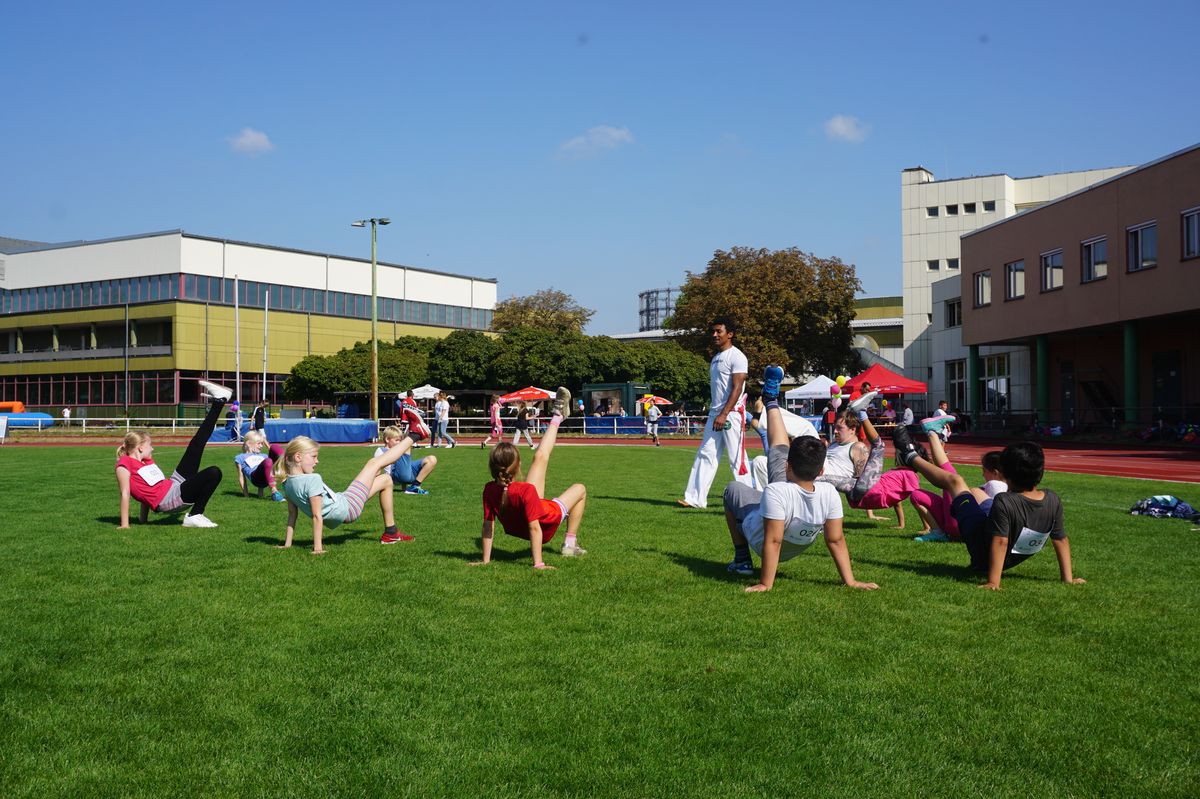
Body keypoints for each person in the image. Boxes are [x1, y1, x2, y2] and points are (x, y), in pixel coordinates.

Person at [722, 367, 879, 592]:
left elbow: (773, 541)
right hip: (796, 541)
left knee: (731, 490)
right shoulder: (829, 493)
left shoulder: (776, 491)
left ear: (789, 467)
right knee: (779, 451)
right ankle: (771, 400)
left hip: (762, 540)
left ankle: (742, 560)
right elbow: (835, 540)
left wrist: (766, 584)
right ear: (821, 472)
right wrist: (851, 581)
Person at [893, 425, 1085, 590]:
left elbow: (1000, 541)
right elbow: (1060, 539)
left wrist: (993, 582)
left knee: (955, 482)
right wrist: (1067, 579)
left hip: (982, 550)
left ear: (1005, 474)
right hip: (1006, 552)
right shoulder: (1052, 499)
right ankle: (917, 453)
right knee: (976, 493)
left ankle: (910, 456)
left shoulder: (1004, 501)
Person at [474, 388, 588, 570]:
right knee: (580, 488)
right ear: (518, 466)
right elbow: (535, 529)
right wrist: (539, 564)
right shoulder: (526, 491)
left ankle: (558, 415)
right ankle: (569, 544)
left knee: (540, 457)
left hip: (526, 519)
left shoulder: (490, 489)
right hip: (547, 522)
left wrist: (485, 560)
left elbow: (488, 526)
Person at [115, 379, 231, 529]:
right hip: (168, 499)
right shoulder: (123, 465)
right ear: (140, 448)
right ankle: (195, 515)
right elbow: (126, 494)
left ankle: (219, 401)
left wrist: (143, 520)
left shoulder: (146, 461)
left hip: (173, 485)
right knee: (214, 472)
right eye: (150, 445)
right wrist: (125, 525)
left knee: (196, 445)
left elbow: (145, 490)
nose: (153, 449)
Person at [277, 432, 417, 554]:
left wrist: (287, 544)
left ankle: (391, 533)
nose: (317, 461)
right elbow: (316, 516)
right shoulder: (313, 479)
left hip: (343, 501)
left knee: (385, 479)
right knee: (374, 464)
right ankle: (414, 435)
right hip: (348, 508)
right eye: (313, 457)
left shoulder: (286, 483)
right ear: (298, 457)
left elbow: (292, 515)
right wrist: (318, 548)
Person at [678, 317, 752, 508]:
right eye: (713, 331)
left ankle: (749, 500)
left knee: (737, 458)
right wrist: (717, 413)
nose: (714, 335)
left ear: (730, 334)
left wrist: (724, 413)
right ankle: (695, 499)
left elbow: (737, 388)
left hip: (730, 414)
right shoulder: (716, 358)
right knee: (706, 453)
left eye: (719, 331)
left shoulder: (737, 357)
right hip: (715, 413)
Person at [818, 395, 920, 513]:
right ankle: (861, 412)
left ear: (852, 429)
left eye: (839, 428)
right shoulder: (833, 445)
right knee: (821, 478)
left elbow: (863, 480)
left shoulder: (858, 447)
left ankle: (861, 412)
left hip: (864, 491)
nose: (835, 431)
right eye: (835, 428)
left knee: (879, 446)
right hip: (855, 493)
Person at [910, 423, 1006, 542]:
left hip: (962, 525)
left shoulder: (996, 486)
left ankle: (931, 433)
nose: (982, 474)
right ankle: (938, 532)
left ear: (995, 473)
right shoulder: (1001, 487)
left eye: (984, 470)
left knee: (950, 478)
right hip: (956, 524)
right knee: (917, 495)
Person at [375, 425, 438, 495]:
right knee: (406, 446)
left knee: (432, 459)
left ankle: (415, 486)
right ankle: (414, 430)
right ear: (387, 439)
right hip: (394, 476)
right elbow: (376, 470)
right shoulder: (380, 450)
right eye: (396, 440)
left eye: (400, 440)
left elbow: (404, 464)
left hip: (407, 473)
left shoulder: (398, 450)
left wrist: (404, 487)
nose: (399, 442)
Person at [235, 430, 286, 501]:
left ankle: (286, 483)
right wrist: (246, 495)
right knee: (268, 461)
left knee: (274, 447)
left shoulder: (264, 455)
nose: (261, 446)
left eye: (262, 444)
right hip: (256, 478)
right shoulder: (240, 457)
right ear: (249, 443)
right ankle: (275, 492)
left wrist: (260, 493)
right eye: (259, 443)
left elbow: (266, 467)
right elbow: (241, 477)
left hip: (267, 476)